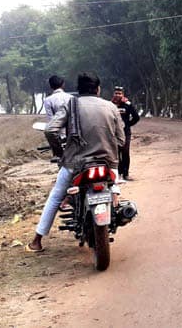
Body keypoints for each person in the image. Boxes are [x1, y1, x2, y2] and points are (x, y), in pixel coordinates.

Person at [27, 72, 125, 253]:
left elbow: (50, 130)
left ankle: (37, 240)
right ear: (98, 89)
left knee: (56, 196)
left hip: (76, 164)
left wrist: (60, 153)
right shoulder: (110, 107)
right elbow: (121, 139)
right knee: (114, 184)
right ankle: (116, 201)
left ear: (78, 90)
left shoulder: (70, 105)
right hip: (108, 162)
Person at [42, 75, 73, 161]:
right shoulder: (71, 98)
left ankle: (58, 154)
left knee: (59, 157)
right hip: (73, 133)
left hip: (58, 134)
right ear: (63, 85)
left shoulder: (48, 100)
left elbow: (51, 120)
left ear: (50, 86)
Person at [112, 86, 139, 181]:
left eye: (120, 93)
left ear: (123, 94)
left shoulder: (127, 104)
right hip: (113, 133)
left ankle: (126, 174)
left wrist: (128, 125)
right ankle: (118, 174)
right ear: (113, 94)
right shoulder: (110, 105)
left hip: (125, 133)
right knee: (116, 154)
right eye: (116, 93)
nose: (118, 95)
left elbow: (136, 117)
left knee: (125, 153)